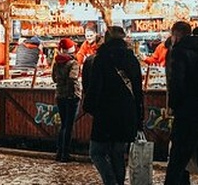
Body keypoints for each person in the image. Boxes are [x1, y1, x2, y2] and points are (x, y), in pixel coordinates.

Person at [83, 26, 144, 185]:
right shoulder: (132, 59)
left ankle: (111, 183)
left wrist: (89, 106)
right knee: (118, 154)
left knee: (96, 152)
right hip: (127, 113)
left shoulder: (101, 58)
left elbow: (95, 87)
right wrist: (139, 116)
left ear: (106, 38)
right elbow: (138, 90)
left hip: (106, 113)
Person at [164, 21, 198, 185]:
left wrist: (174, 106)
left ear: (177, 35)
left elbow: (177, 85)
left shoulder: (180, 52)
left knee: (177, 162)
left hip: (189, 115)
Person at [52, 38, 81, 162]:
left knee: (63, 124)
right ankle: (65, 153)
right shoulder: (73, 63)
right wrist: (72, 91)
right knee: (68, 126)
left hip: (59, 95)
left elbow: (54, 78)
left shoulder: (56, 62)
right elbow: (72, 78)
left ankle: (59, 152)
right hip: (71, 96)